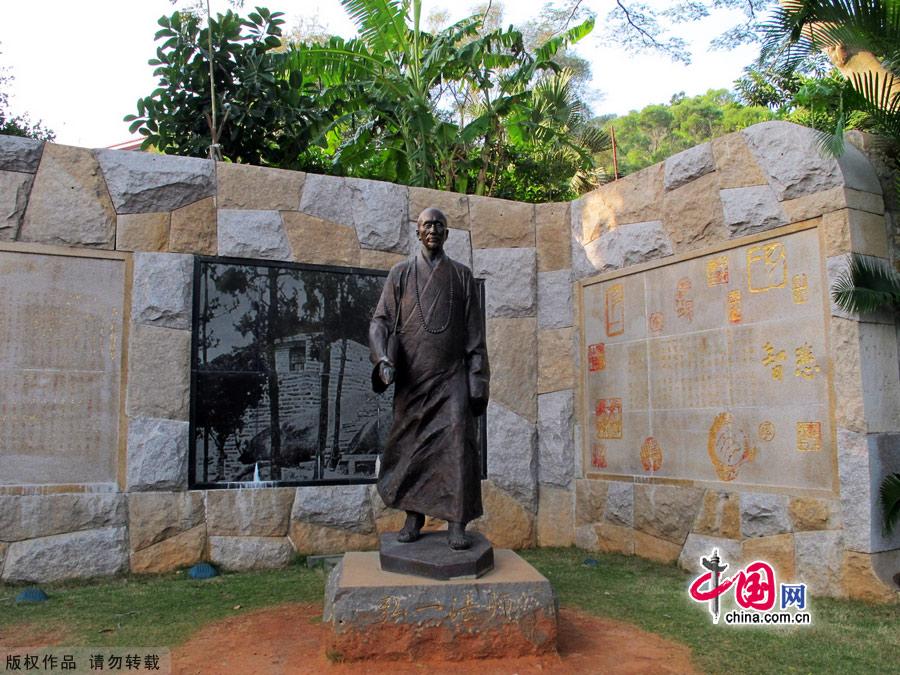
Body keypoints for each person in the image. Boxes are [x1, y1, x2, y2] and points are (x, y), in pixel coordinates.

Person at [369, 207, 490, 550]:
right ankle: (413, 517)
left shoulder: (462, 277)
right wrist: (382, 358)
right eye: (427, 225)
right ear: (418, 232)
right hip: (412, 380)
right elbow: (380, 322)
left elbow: (475, 336)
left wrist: (477, 382)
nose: (433, 230)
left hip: (451, 377)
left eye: (439, 225)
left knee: (455, 443)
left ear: (447, 233)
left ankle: (456, 521)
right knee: (409, 449)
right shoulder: (401, 275)